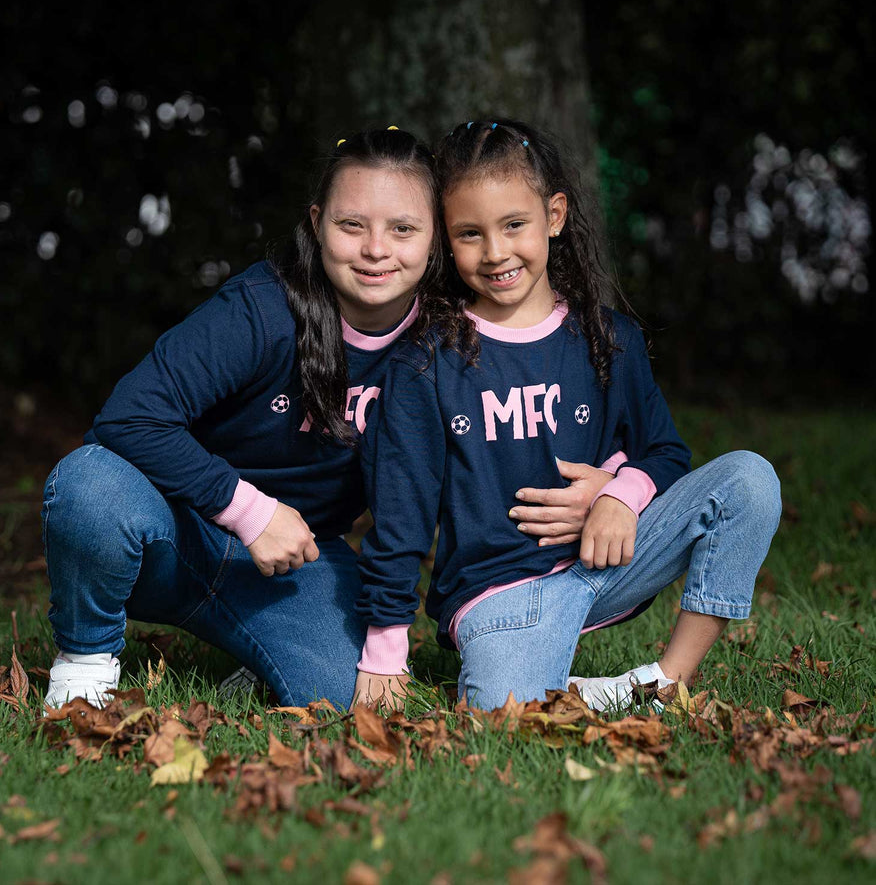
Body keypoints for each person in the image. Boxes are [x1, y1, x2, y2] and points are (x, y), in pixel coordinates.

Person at [352, 119, 782, 712]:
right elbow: (400, 514)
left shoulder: (608, 338)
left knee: (749, 480)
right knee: (508, 715)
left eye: (514, 225)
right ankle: (573, 685)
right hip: (499, 596)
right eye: (470, 234)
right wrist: (384, 652)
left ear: (553, 217)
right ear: (445, 241)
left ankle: (666, 684)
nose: (496, 252)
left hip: (602, 562)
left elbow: (667, 454)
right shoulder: (428, 361)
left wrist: (618, 494)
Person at [41, 127, 446, 710]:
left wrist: (618, 476)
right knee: (88, 483)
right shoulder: (261, 308)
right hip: (179, 530)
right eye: (351, 224)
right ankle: (85, 658)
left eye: (403, 228)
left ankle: (256, 651)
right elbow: (128, 419)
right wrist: (249, 510)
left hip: (295, 561)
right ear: (316, 222)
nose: (375, 249)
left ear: (434, 237)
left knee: (342, 696)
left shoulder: (444, 345)